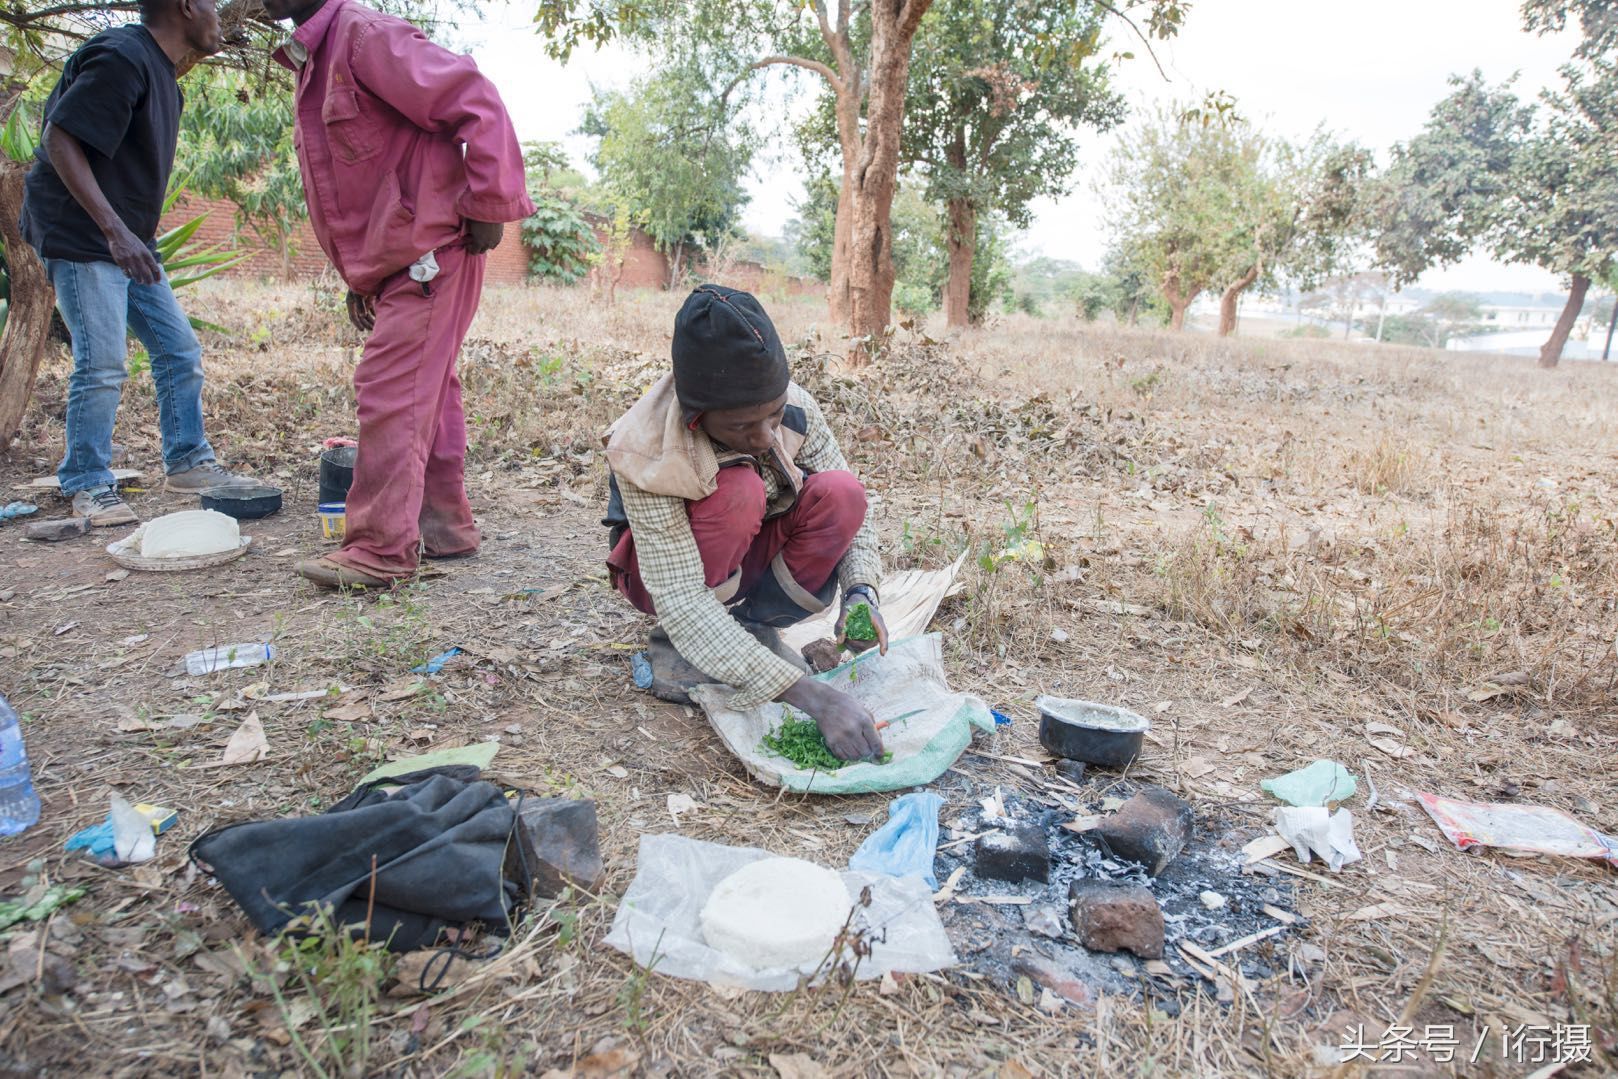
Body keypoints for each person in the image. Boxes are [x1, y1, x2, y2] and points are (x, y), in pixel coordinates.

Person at [264, 0, 534, 589]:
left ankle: (380, 550)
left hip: (433, 250)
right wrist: (360, 277)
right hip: (396, 261)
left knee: (391, 388)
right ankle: (443, 528)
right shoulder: (316, 59)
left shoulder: (366, 37)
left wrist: (491, 203)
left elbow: (475, 98)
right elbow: (351, 186)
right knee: (428, 386)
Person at [603, 285, 890, 763]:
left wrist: (862, 592)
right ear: (697, 417)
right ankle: (682, 649)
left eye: (773, 416)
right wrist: (813, 697)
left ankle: (752, 631)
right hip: (666, 582)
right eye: (740, 427)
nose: (764, 437)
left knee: (842, 492)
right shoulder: (645, 448)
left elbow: (853, 519)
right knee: (738, 491)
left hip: (746, 558)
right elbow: (680, 597)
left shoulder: (794, 407)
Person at [21, 0, 258, 527]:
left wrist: (130, 236)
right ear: (187, 6)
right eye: (214, 4)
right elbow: (60, 139)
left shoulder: (162, 75)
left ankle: (189, 461)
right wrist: (112, 230)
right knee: (103, 363)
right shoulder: (123, 57)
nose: (220, 16)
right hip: (85, 235)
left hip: (128, 239)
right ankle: (87, 482)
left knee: (178, 351)